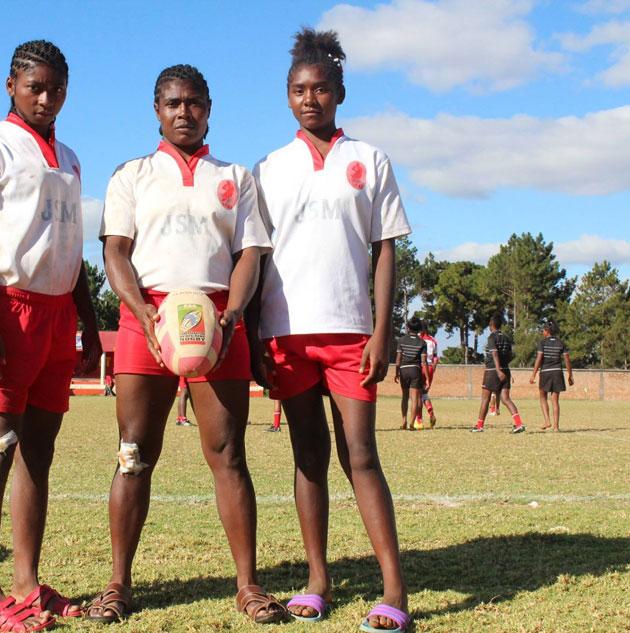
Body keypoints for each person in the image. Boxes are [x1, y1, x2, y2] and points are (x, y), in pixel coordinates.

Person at [87, 64, 286, 625]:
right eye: (172, 103)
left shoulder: (236, 177)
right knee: (133, 454)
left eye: (193, 102)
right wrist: (145, 314)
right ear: (156, 110)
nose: (183, 112)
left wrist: (233, 317)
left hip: (219, 318)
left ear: (209, 107)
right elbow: (116, 253)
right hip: (146, 319)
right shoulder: (131, 175)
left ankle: (248, 585)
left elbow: (251, 253)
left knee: (229, 456)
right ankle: (118, 584)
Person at [248, 29, 411, 632]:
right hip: (285, 334)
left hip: (349, 332)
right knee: (308, 456)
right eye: (298, 90)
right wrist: (254, 340)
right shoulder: (268, 169)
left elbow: (386, 250)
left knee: (360, 455)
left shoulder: (369, 161)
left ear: (339, 92)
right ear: (287, 97)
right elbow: (256, 255)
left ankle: (394, 587)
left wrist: (381, 329)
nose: (309, 98)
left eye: (320, 88)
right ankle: (319, 579)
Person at [0, 40, 101, 633]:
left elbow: (74, 249)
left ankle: (27, 585)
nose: (45, 97)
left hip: (58, 313)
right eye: (34, 86)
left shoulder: (70, 157)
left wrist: (87, 321)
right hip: (6, 311)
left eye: (56, 87)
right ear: (11, 85)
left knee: (40, 450)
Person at [471, 314, 524, 433]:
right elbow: (511, 355)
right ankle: (519, 424)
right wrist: (504, 366)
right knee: (505, 398)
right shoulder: (506, 337)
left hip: (493, 371)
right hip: (506, 370)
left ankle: (479, 426)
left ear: (491, 325)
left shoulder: (491, 338)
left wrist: (498, 369)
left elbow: (494, 354)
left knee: (485, 398)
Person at [529, 321, 573, 431]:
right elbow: (567, 359)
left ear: (547, 331)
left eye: (543, 330)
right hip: (558, 372)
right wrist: (570, 375)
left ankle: (547, 421)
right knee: (555, 400)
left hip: (546, 372)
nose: (542, 332)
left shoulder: (542, 343)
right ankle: (556, 427)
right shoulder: (561, 343)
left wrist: (533, 374)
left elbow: (539, 358)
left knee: (543, 396)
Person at [395, 317, 429, 431]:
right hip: (415, 370)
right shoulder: (422, 342)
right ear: (419, 328)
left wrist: (396, 372)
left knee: (405, 397)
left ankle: (403, 421)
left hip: (404, 370)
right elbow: (424, 362)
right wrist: (427, 379)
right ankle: (411, 423)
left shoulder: (401, 340)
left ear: (408, 327)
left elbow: (398, 358)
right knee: (415, 398)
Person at [414, 323, 438, 429]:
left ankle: (419, 420)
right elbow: (436, 358)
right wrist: (432, 370)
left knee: (418, 394)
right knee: (425, 393)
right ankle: (430, 411)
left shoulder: (418, 339)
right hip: (430, 368)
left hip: (420, 366)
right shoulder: (433, 340)